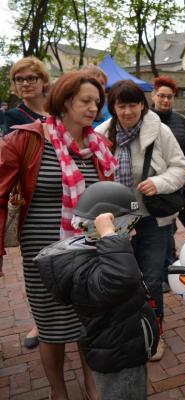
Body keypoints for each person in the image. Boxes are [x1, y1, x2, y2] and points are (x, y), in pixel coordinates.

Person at [0, 71, 118, 400]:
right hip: (44, 253)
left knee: (89, 322)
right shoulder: (28, 138)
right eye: (85, 100)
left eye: (97, 101)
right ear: (65, 101)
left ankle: (92, 385)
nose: (94, 107)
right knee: (52, 326)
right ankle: (58, 391)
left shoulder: (100, 145)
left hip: (89, 253)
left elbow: (111, 197)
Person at [35, 181, 159, 400]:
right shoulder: (86, 269)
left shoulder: (101, 256)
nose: (135, 231)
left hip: (125, 349)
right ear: (107, 228)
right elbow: (122, 278)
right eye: (129, 225)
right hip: (118, 359)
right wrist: (111, 237)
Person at [96, 79, 185, 362]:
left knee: (149, 279)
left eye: (133, 105)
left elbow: (180, 167)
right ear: (113, 106)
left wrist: (159, 182)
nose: (127, 112)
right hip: (116, 222)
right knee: (122, 281)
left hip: (151, 219)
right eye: (121, 105)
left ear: (142, 105)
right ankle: (127, 332)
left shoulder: (158, 130)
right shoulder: (101, 134)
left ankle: (155, 331)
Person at [150, 75, 185, 292]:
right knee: (166, 236)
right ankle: (167, 276)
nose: (165, 100)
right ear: (153, 96)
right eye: (161, 96)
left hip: (182, 188)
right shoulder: (146, 121)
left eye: (169, 97)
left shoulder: (180, 121)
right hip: (159, 192)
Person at [5, 57, 49, 134]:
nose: (25, 84)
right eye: (19, 79)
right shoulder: (14, 116)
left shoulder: (59, 110)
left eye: (31, 78)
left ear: (44, 80)